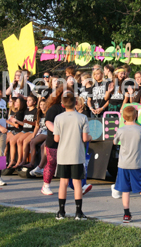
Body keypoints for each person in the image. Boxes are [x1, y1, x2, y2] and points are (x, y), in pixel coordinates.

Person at [53, 91, 92, 220]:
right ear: (76, 103)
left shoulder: (58, 118)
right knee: (77, 183)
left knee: (63, 183)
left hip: (63, 154)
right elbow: (85, 138)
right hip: (77, 154)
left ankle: (61, 211)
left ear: (62, 104)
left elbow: (56, 139)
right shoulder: (82, 118)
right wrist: (90, 137)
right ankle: (78, 212)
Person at [41, 86, 65, 195]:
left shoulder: (71, 109)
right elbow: (48, 122)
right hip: (54, 139)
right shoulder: (54, 108)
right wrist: (57, 132)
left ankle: (77, 185)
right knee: (52, 162)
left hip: (67, 140)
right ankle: (45, 185)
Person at [23, 98, 48, 170]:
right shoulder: (39, 113)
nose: (42, 106)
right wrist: (33, 135)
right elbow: (37, 126)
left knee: (33, 142)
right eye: (41, 105)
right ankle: (30, 162)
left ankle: (32, 163)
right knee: (31, 141)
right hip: (41, 131)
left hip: (47, 131)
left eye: (44, 105)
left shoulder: (49, 113)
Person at [14, 94, 38, 168]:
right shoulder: (26, 111)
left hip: (31, 130)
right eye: (27, 100)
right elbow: (24, 123)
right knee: (17, 140)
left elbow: (35, 124)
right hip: (24, 130)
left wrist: (27, 122)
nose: (27, 102)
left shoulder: (36, 111)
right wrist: (16, 121)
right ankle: (18, 160)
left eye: (30, 100)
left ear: (34, 102)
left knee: (25, 141)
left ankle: (24, 160)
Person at [6, 97, 27, 168]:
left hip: (18, 131)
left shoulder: (20, 112)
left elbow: (17, 125)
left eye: (16, 102)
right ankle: (5, 159)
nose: (15, 103)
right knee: (4, 140)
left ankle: (14, 160)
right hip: (14, 130)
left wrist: (8, 121)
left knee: (12, 141)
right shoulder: (15, 112)